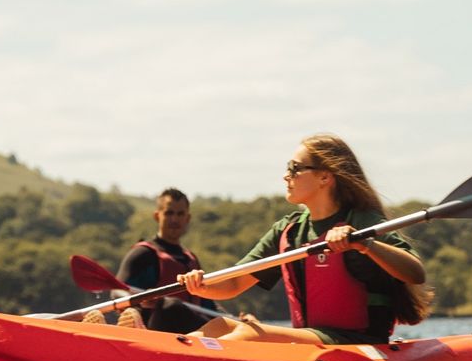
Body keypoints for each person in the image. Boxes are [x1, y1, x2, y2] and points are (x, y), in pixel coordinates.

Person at [177, 134, 431, 344]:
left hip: (356, 341)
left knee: (247, 333)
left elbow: (415, 273)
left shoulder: (363, 221)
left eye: (294, 168)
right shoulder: (289, 230)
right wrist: (201, 285)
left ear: (325, 177)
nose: (286, 176)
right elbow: (234, 284)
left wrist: (364, 243)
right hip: (311, 340)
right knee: (218, 326)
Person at [109, 187, 218, 333]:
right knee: (171, 306)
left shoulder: (190, 259)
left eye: (180, 214)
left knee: (224, 323)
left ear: (187, 218)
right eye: (169, 213)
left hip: (191, 334)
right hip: (156, 328)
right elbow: (116, 291)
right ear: (157, 216)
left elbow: (208, 305)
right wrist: (141, 298)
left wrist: (237, 320)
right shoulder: (143, 253)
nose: (174, 219)